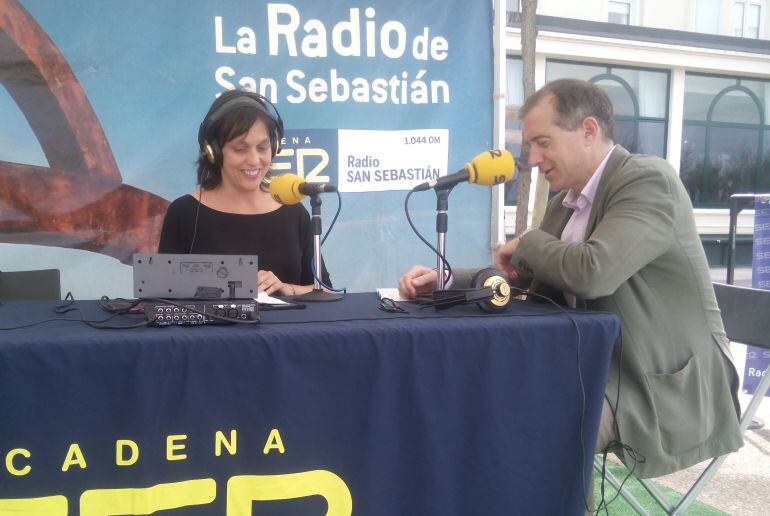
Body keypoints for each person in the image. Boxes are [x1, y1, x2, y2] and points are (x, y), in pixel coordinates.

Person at [398, 78, 742, 479]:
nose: (534, 158)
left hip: (653, 386)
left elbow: (592, 272)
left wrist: (528, 242)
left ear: (589, 130)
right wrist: (445, 279)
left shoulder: (649, 181)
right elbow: (527, 279)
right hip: (583, 369)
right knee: (481, 398)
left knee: (521, 427)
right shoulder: (567, 201)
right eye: (530, 146)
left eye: (543, 142)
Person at [158, 89, 330, 296]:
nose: (254, 160)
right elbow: (162, 294)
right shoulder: (184, 212)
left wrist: (286, 288)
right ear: (213, 152)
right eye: (240, 149)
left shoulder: (293, 211)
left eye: (262, 148)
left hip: (288, 329)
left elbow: (325, 290)